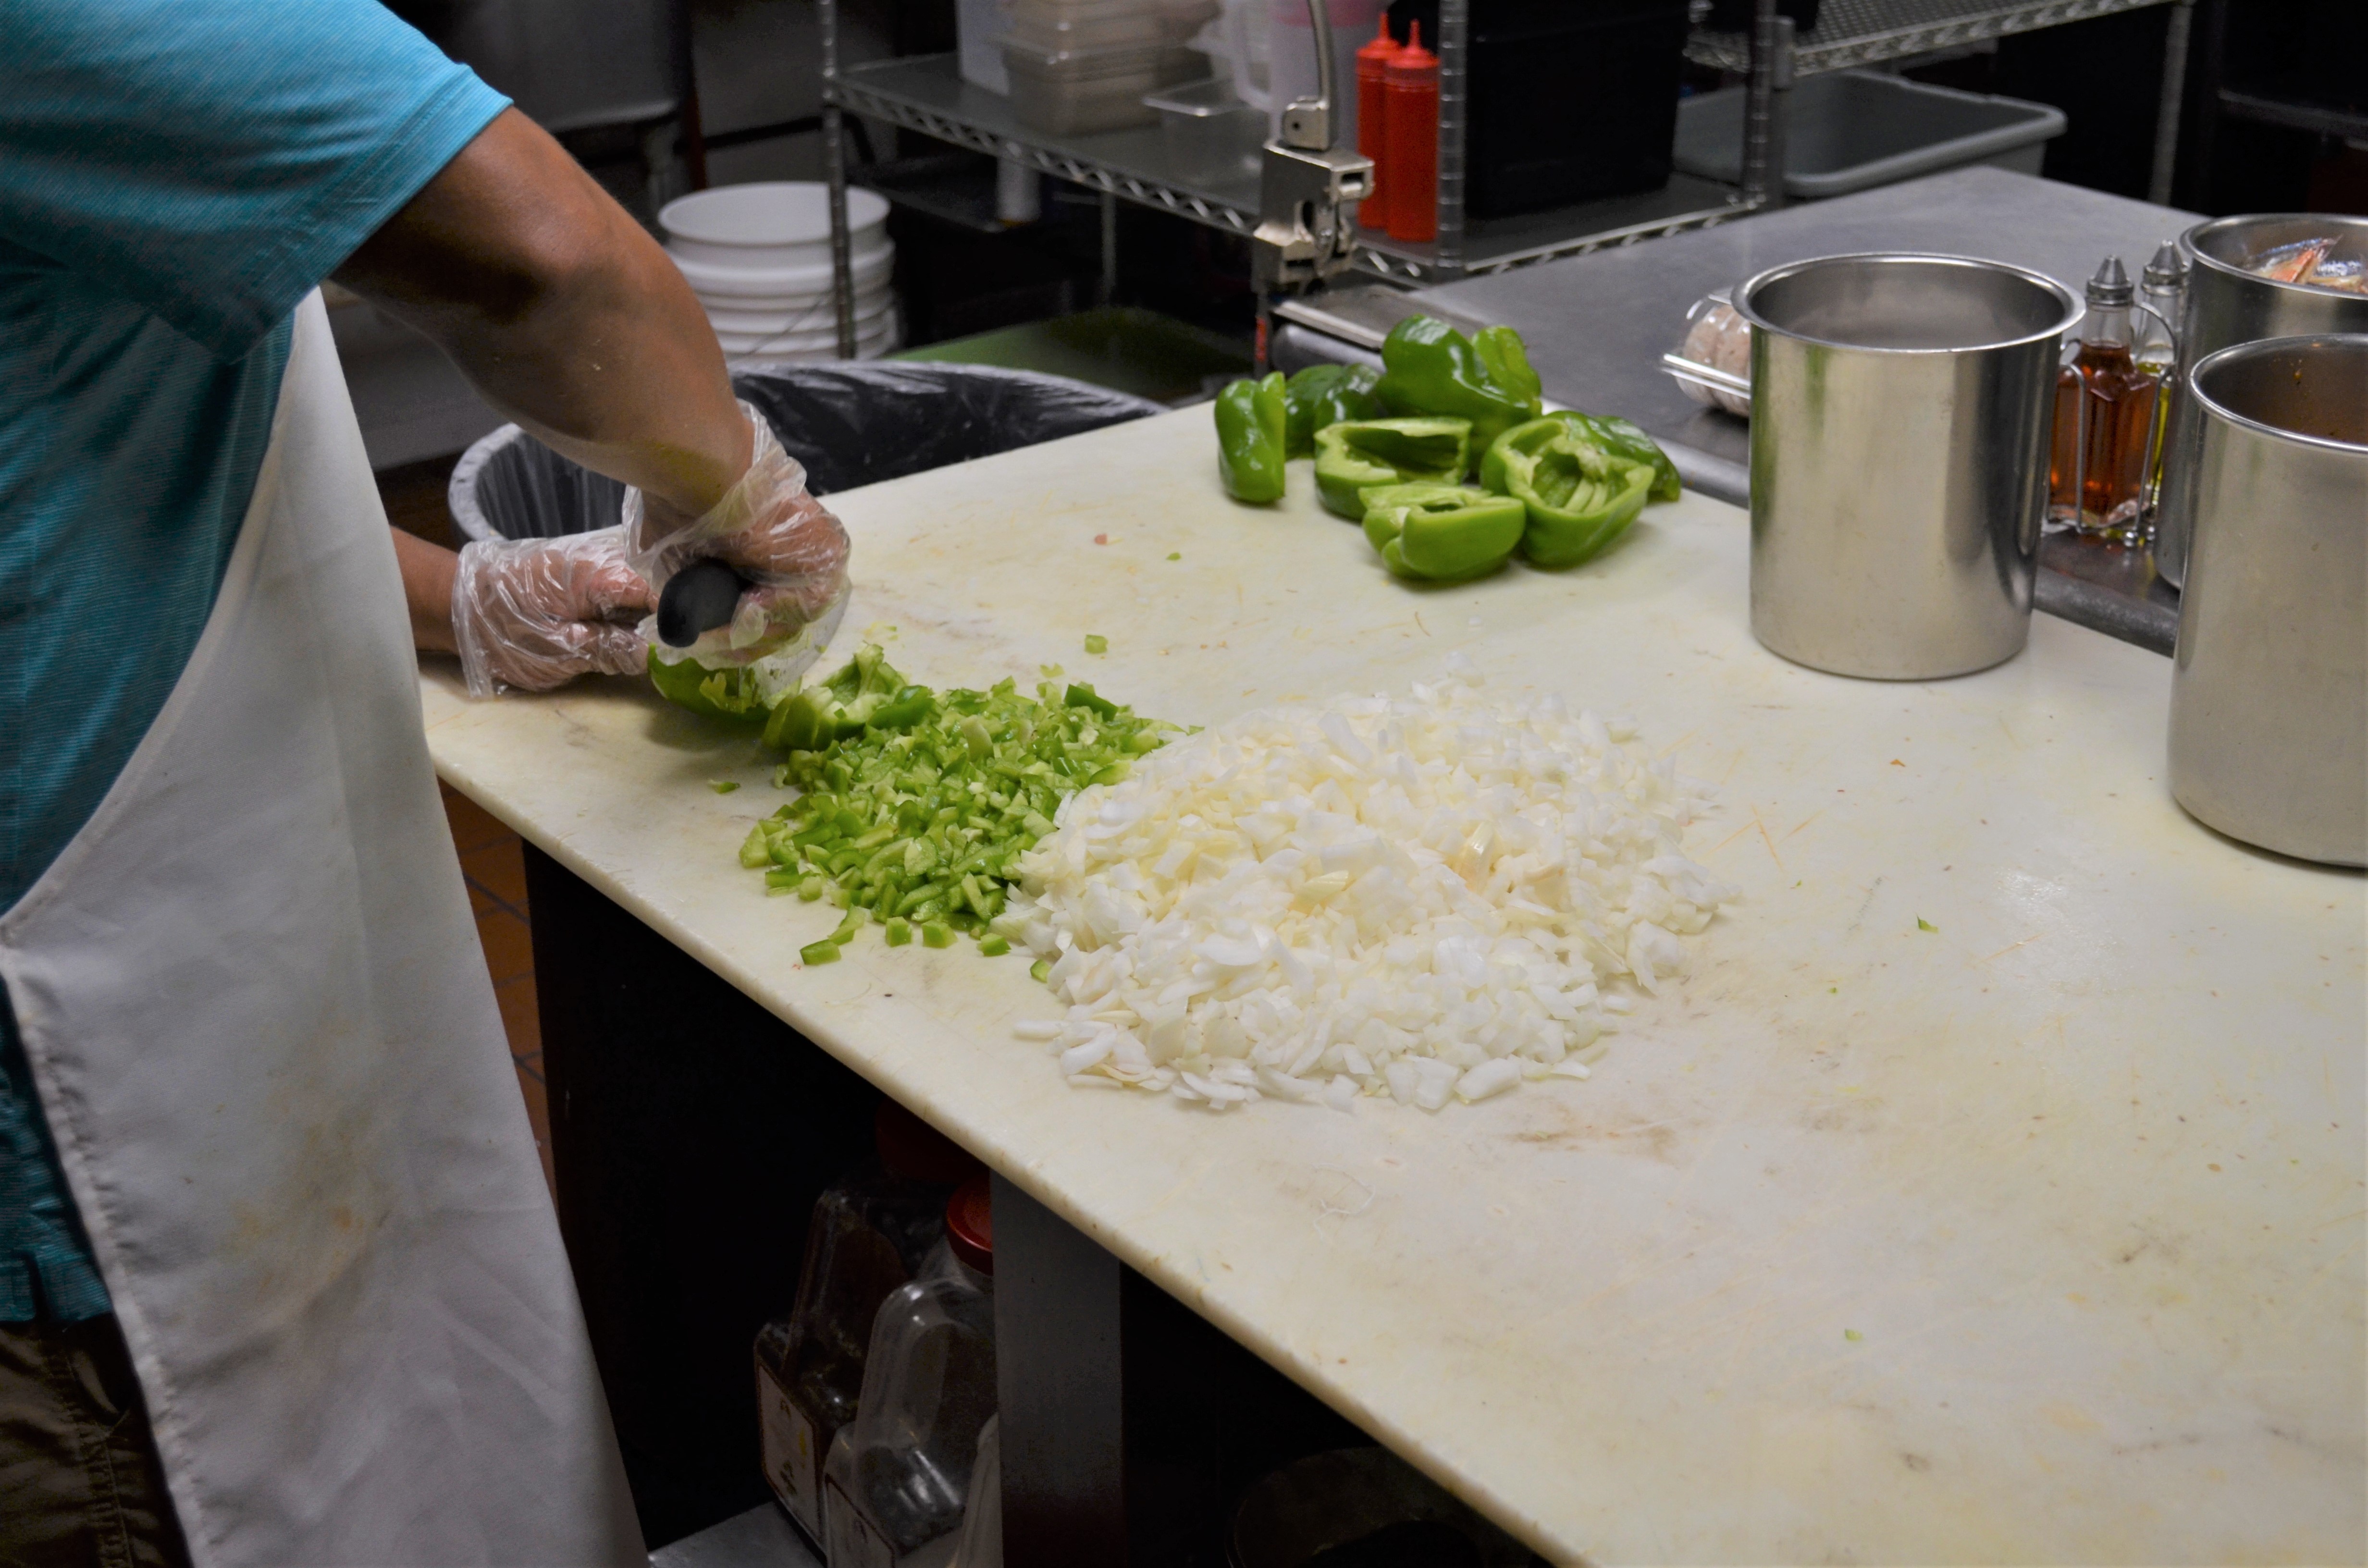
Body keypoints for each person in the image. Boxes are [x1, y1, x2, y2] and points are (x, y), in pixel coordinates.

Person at [0, 2, 848, 1563]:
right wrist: (736, 491)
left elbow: (68, 441)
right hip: (84, 1159)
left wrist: (461, 601)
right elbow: (538, 253)